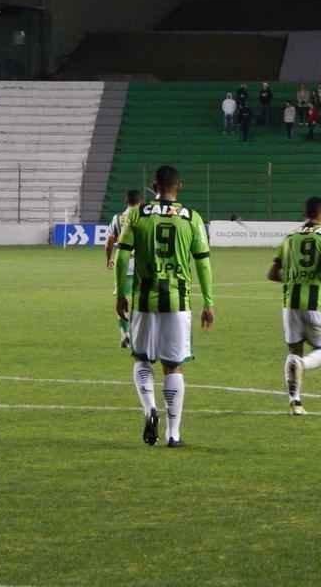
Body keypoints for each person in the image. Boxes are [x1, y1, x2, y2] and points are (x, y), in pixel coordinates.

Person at [114, 166, 215, 447]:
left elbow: (122, 259)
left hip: (144, 301)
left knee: (142, 359)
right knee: (174, 367)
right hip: (177, 301)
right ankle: (173, 433)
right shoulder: (192, 218)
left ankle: (149, 409)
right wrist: (209, 302)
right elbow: (203, 263)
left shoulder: (137, 214)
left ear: (153, 185)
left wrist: (121, 293)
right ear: (178, 186)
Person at [267, 196, 321, 415]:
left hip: (290, 304)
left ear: (305, 214)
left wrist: (293, 279)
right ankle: (304, 365)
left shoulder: (290, 237)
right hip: (316, 303)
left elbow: (272, 273)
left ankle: (295, 402)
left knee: (294, 350)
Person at [106, 189, 142, 348]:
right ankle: (139, 335)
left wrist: (109, 259)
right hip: (142, 267)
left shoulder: (117, 218)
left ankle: (124, 334)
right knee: (142, 302)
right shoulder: (144, 217)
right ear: (140, 201)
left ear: (126, 202)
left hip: (124, 266)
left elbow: (109, 241)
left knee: (122, 301)